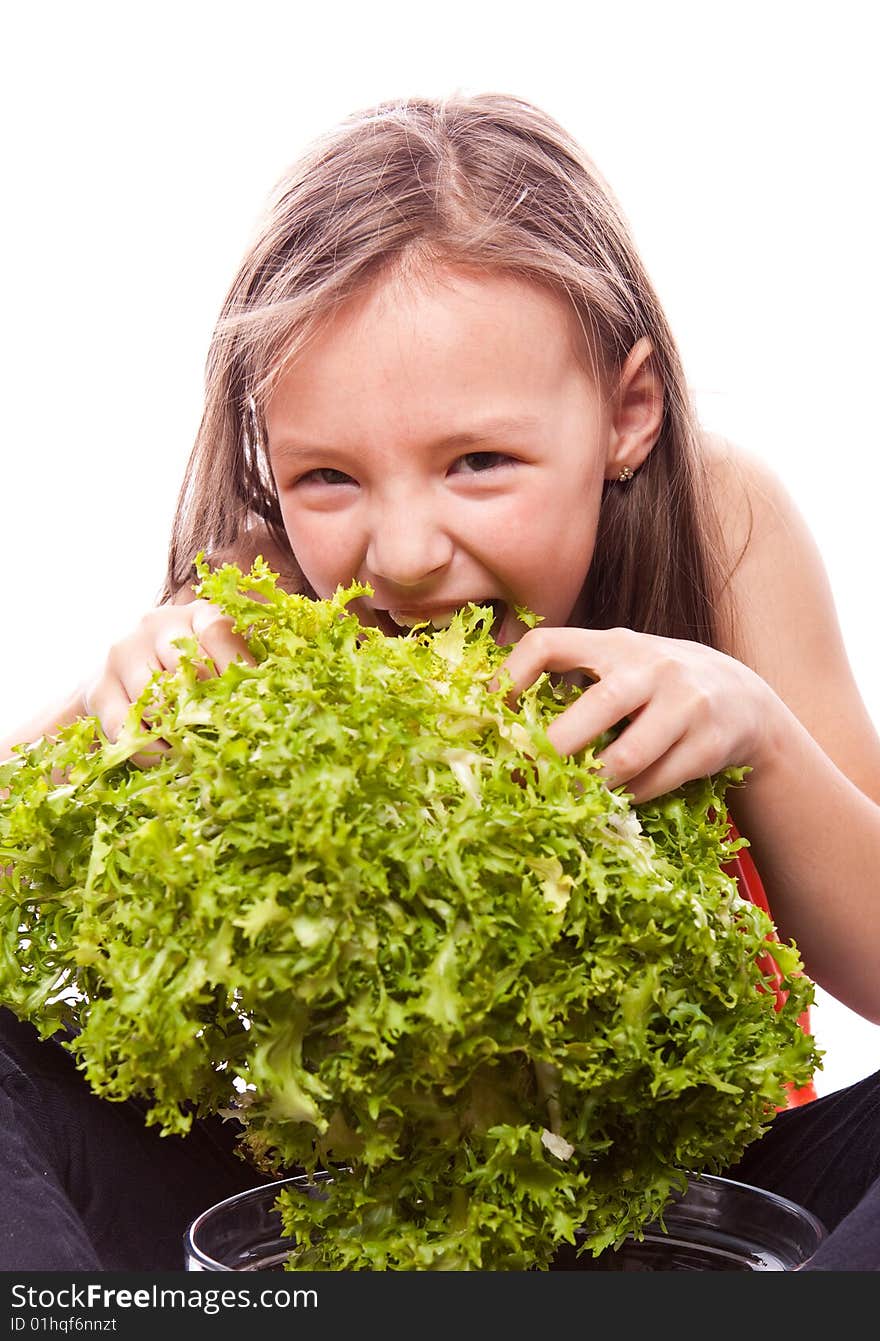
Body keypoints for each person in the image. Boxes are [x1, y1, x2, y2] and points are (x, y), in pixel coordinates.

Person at [2, 91, 879, 1272]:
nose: (403, 552)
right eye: (327, 479)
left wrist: (758, 735)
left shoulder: (723, 527)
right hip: (339, 1225)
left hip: (708, 1213)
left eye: (477, 462)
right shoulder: (260, 606)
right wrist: (96, 711)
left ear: (627, 416)